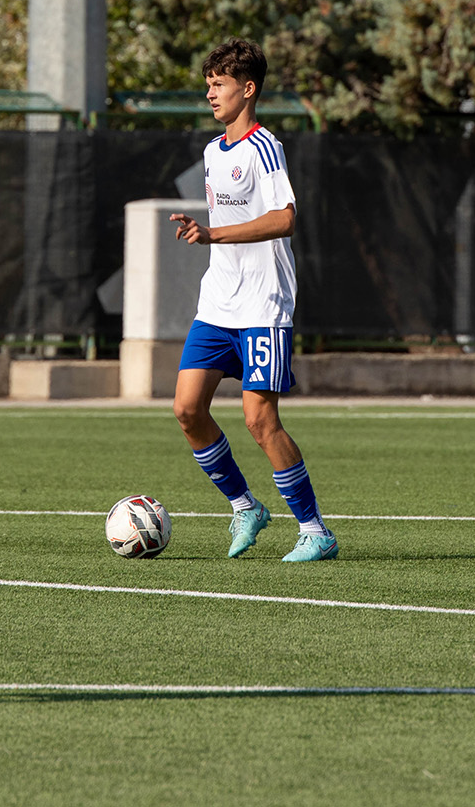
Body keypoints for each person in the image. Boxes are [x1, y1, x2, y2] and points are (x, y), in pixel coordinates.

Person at [169, 38, 337, 562]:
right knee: (187, 409)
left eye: (218, 85)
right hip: (218, 302)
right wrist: (213, 238)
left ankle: (315, 531)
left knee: (260, 421)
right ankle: (245, 506)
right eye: (207, 86)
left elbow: (284, 217)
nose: (210, 95)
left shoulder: (266, 147)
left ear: (248, 89)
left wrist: (212, 235)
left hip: (264, 305)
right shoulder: (211, 151)